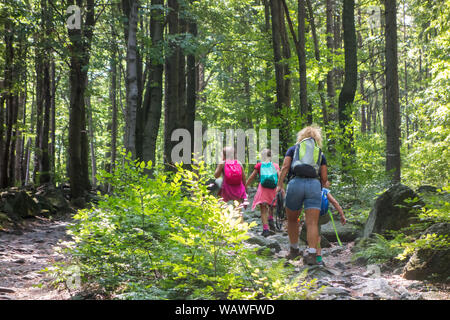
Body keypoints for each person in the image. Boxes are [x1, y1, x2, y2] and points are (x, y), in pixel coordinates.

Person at [276, 125, 328, 264]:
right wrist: (322, 186)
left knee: (292, 219)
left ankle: (293, 250)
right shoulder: (319, 152)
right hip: (314, 185)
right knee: (312, 223)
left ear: (301, 136)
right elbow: (324, 177)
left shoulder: (293, 149)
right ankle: (311, 254)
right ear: (317, 138)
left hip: (295, 183)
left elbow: (285, 167)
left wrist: (280, 185)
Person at [301, 181, 346, 265]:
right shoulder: (324, 191)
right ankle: (318, 258)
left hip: (311, 216)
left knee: (313, 233)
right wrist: (342, 215)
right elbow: (334, 202)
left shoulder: (307, 190)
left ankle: (313, 254)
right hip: (323, 217)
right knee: (317, 236)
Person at [245, 149, 281, 237]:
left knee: (263, 209)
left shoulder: (259, 165)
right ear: (271, 156)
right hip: (273, 189)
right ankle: (271, 219)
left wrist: (245, 185)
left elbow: (252, 177)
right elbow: (280, 177)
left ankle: (265, 229)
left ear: (262, 156)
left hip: (263, 189)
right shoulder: (275, 165)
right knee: (271, 205)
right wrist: (281, 189)